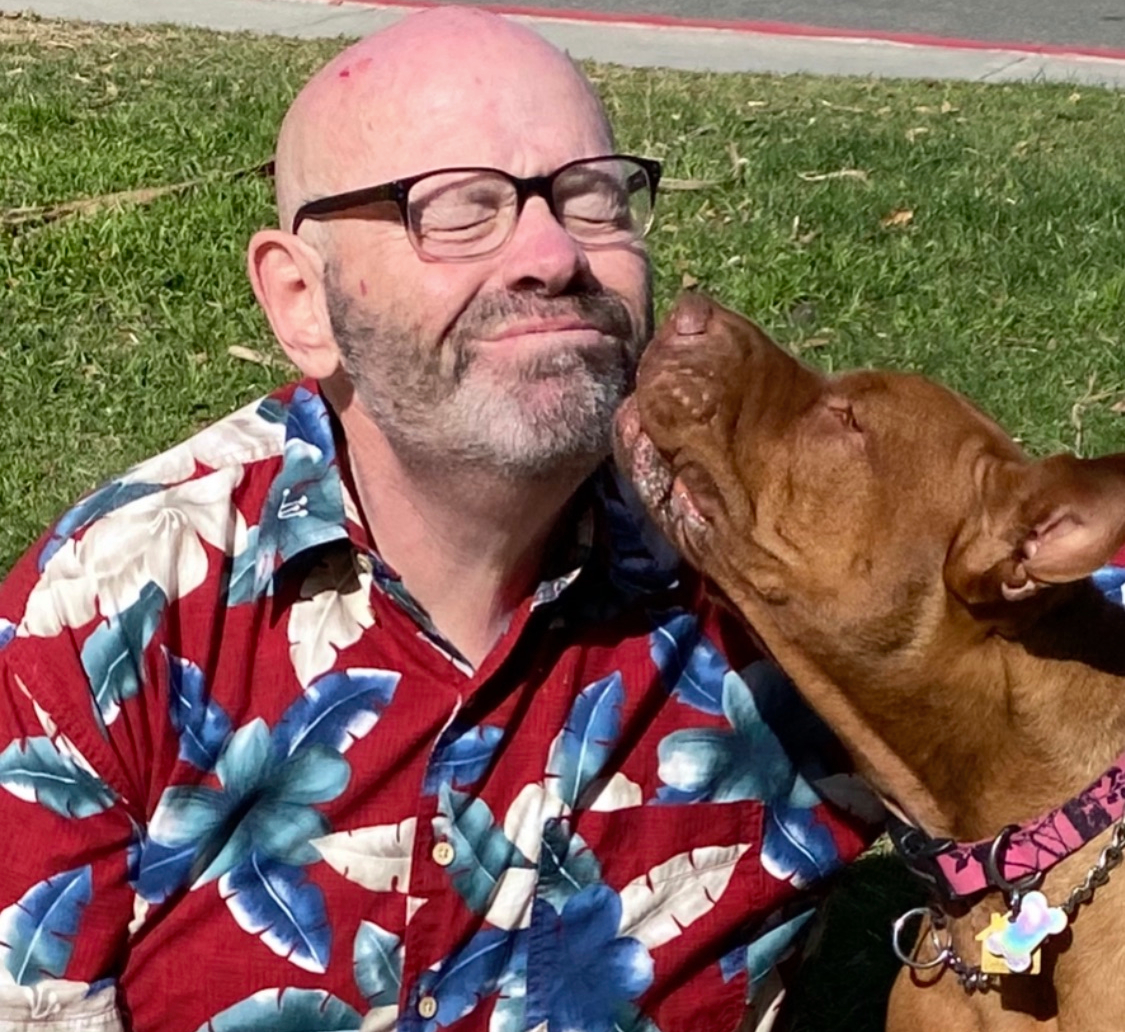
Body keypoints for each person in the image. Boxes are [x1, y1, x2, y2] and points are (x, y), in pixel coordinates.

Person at [0, 8, 876, 1031]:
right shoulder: (112, 612)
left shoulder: (774, 554)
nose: (553, 254)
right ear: (303, 302)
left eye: (592, 199)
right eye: (459, 210)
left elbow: (1033, 745)